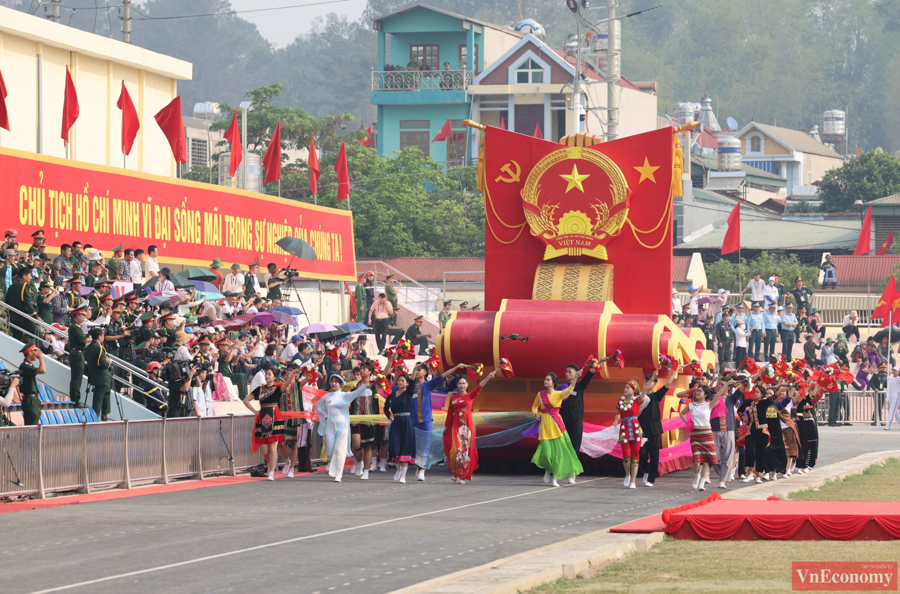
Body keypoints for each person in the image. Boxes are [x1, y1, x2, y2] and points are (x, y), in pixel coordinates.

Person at [408, 360, 463, 481]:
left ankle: (422, 469)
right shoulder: (409, 386)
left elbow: (442, 376)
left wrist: (456, 366)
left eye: (419, 370)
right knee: (415, 447)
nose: (417, 372)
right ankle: (419, 466)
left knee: (425, 446)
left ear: (425, 372)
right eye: (416, 370)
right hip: (412, 421)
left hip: (426, 421)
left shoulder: (428, 385)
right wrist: (413, 370)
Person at [242, 367, 298, 481]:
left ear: (274, 377)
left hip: (275, 417)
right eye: (266, 374)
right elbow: (246, 400)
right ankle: (272, 465)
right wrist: (255, 412)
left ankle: (271, 472)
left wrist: (292, 374)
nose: (267, 376)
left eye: (269, 374)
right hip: (262, 418)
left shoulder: (277, 389)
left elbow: (287, 382)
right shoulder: (259, 389)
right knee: (265, 451)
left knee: (273, 448)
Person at [444, 370, 499, 484]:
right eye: (460, 383)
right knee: (456, 450)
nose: (462, 385)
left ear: (467, 385)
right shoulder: (453, 398)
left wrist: (488, 377)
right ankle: (456, 472)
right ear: (457, 385)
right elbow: (450, 414)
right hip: (456, 427)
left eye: (464, 383)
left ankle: (462, 475)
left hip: (467, 427)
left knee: (465, 451)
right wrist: (446, 427)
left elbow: (480, 386)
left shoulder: (470, 396)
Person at [531, 372, 581, 487]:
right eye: (545, 379)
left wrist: (576, 378)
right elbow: (534, 407)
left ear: (553, 383)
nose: (545, 381)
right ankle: (548, 469)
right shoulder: (540, 394)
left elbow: (569, 391)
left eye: (548, 380)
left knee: (558, 455)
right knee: (547, 455)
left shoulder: (559, 394)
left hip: (556, 425)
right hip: (544, 426)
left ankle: (555, 478)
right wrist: (536, 414)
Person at [559, 357, 608, 454]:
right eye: (566, 372)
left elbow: (589, 376)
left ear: (576, 373)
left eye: (570, 372)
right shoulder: (561, 387)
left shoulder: (580, 386)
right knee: (562, 445)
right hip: (563, 419)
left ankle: (573, 468)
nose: (567, 374)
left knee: (575, 445)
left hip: (577, 419)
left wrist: (598, 362)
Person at [638, 370, 677, 487]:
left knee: (654, 455)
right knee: (642, 455)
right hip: (641, 429)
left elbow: (667, 384)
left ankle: (651, 479)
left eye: (650, 381)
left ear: (654, 383)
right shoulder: (640, 397)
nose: (647, 383)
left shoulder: (656, 396)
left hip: (654, 429)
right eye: (646, 381)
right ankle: (646, 471)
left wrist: (676, 371)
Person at [680, 383, 722, 491]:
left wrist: (726, 384)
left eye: (700, 391)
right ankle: (696, 476)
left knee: (707, 461)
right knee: (697, 461)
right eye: (697, 391)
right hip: (695, 434)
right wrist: (687, 423)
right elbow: (681, 414)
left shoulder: (709, 405)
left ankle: (702, 484)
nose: (697, 393)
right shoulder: (691, 405)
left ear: (705, 395)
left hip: (707, 434)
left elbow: (718, 395)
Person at [384, 372, 419, 483]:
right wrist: (388, 414)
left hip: (406, 422)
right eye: (399, 380)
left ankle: (403, 476)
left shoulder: (409, 393)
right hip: (396, 422)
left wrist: (414, 370)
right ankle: (398, 470)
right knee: (394, 447)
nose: (400, 382)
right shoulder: (392, 394)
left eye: (403, 380)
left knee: (405, 448)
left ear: (407, 383)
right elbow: (386, 407)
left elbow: (413, 382)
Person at [85, 327, 112, 420]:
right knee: (99, 399)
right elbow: (103, 363)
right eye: (103, 335)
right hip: (102, 377)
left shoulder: (88, 347)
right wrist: (109, 362)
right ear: (99, 336)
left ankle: (103, 416)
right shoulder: (99, 347)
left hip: (94, 376)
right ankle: (95, 417)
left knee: (105, 396)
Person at [5, 265, 38, 341]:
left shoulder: (11, 286)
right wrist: (35, 315)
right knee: (38, 333)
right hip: (23, 317)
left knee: (17, 339)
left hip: (13, 317)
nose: (30, 278)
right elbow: (27, 302)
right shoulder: (25, 285)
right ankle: (35, 352)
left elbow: (7, 301)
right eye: (29, 276)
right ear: (24, 277)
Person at [17, 342, 47, 425]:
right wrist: (41, 358)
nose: (37, 354)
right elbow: (43, 370)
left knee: (34, 424)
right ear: (30, 353)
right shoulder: (24, 366)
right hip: (30, 400)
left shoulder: (29, 365)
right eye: (35, 351)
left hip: (34, 400)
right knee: (31, 425)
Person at [795, 385, 824, 470]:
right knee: (801, 444)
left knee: (811, 444)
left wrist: (819, 385)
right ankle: (797, 464)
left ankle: (809, 463)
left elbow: (816, 395)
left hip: (810, 424)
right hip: (799, 423)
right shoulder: (796, 401)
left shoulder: (810, 400)